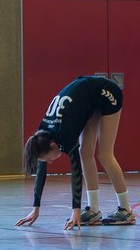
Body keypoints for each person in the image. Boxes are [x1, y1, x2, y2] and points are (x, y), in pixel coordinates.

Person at [18, 75, 133, 229]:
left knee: (104, 155)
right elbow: (41, 171)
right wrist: (35, 209)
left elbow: (76, 172)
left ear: (53, 146)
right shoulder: (41, 137)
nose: (50, 162)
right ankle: (93, 209)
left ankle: (126, 210)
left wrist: (76, 211)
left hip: (105, 92)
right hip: (88, 98)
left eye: (49, 159)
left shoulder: (64, 133)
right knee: (85, 152)